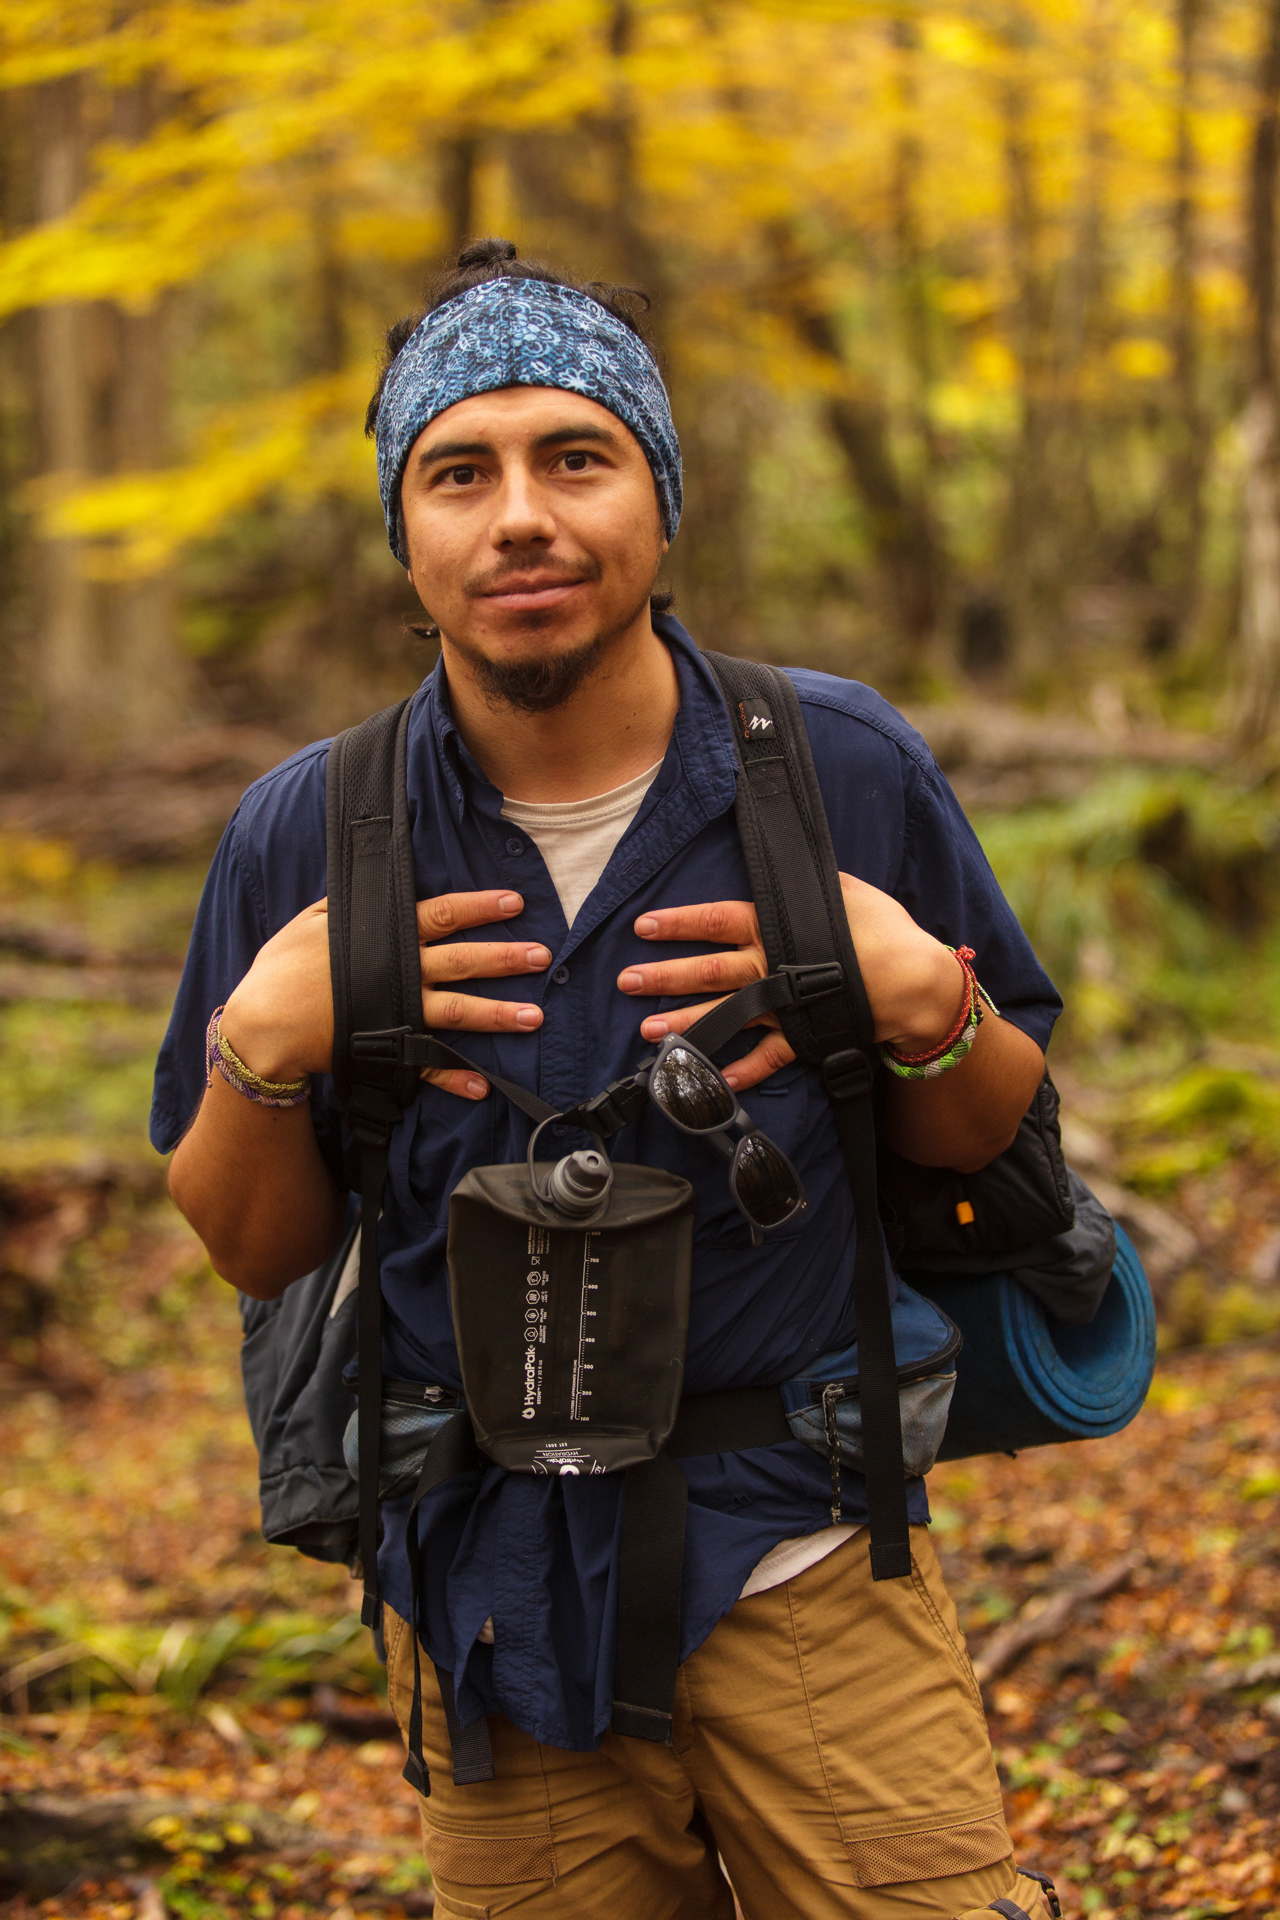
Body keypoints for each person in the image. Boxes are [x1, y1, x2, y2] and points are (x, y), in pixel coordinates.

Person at [154, 237, 1065, 1920]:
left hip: (813, 1555)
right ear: (402, 536)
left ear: (660, 504)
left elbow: (990, 1145)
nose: (520, 517)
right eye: (459, 472)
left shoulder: (835, 767)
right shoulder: (308, 834)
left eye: (577, 456)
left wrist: (922, 998)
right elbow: (251, 1244)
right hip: (490, 1600)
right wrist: (258, 1052)